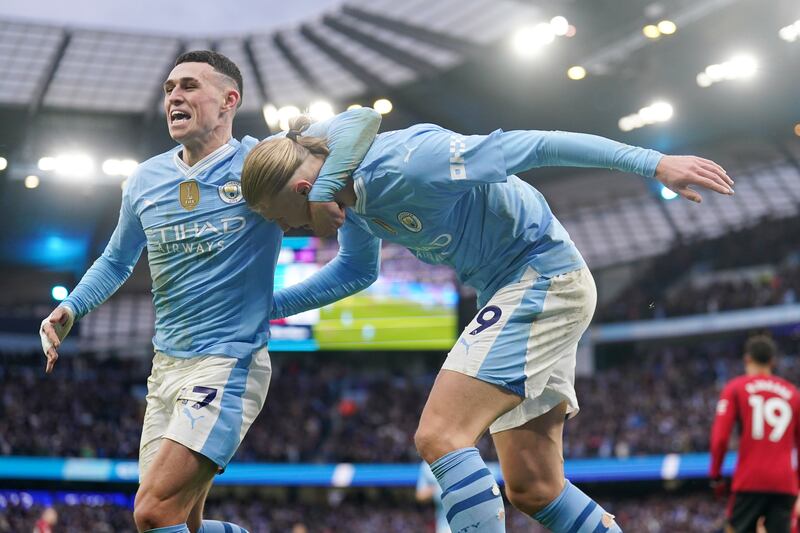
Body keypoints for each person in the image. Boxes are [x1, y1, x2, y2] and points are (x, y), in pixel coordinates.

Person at [241, 118, 734, 532]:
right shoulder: (354, 200)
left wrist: (654, 163)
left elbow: (538, 145)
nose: (294, 231)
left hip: (542, 277)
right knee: (534, 489)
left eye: (292, 222)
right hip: (512, 290)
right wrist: (264, 308)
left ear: (307, 189)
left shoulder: (409, 163)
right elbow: (356, 271)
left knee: (440, 434)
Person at [38, 50, 381, 533]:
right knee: (179, 524)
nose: (174, 95)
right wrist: (71, 307)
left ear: (229, 101)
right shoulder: (144, 181)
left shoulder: (264, 167)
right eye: (169, 89)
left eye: (189, 86)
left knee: (153, 513)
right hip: (165, 371)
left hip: (228, 363)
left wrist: (274, 304)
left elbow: (358, 134)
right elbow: (116, 261)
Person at [710, 335, 800, 533]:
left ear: (747, 360)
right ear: (772, 362)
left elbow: (720, 439)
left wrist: (716, 476)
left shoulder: (735, 387)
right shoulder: (793, 393)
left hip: (750, 480)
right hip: (785, 484)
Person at [416, 461, 451, 533]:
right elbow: (420, 495)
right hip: (444, 524)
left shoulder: (460, 453)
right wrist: (438, 488)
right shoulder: (426, 464)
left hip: (469, 519)